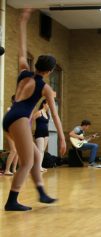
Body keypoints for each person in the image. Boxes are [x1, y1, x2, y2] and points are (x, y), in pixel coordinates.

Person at [2, 8, 66, 211]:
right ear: (49, 71)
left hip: (9, 116)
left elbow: (21, 48)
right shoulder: (46, 88)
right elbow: (54, 115)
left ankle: (42, 193)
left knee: (37, 156)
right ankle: (12, 201)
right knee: (28, 162)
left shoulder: (23, 71)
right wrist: (63, 138)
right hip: (19, 119)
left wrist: (22, 22)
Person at [32, 99, 50, 172]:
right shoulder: (39, 112)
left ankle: (40, 166)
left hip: (46, 133)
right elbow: (31, 120)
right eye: (48, 104)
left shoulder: (47, 114)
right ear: (44, 104)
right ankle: (37, 166)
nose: (49, 106)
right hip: (39, 132)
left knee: (42, 150)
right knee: (40, 150)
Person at [4, 95, 19, 176]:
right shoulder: (10, 109)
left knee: (17, 152)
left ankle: (14, 169)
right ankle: (6, 170)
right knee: (13, 150)